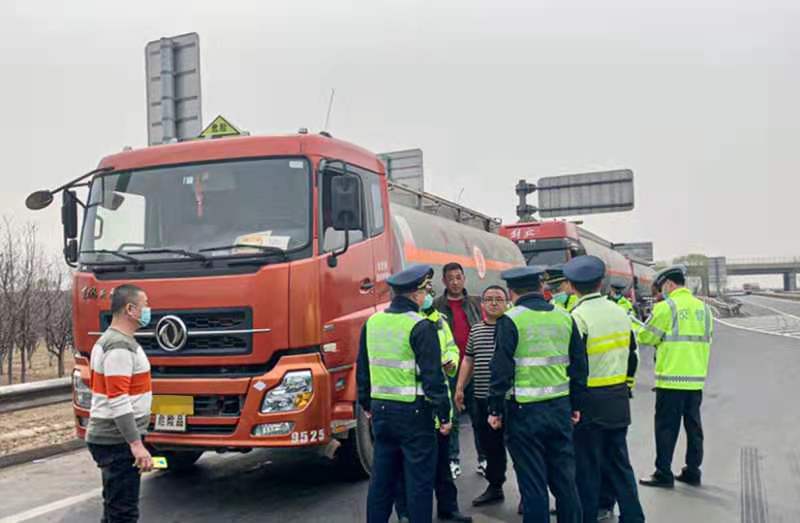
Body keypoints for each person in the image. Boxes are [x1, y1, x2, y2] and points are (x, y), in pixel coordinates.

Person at [488, 266, 588, 523]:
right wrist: (576, 405)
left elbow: (500, 371)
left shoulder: (510, 320)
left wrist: (495, 410)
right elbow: (579, 367)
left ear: (512, 291)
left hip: (524, 414)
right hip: (559, 409)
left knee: (533, 485)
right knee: (565, 482)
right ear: (540, 288)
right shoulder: (565, 317)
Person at [357, 264, 453, 523]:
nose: (426, 296)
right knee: (419, 482)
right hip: (414, 414)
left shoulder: (373, 322)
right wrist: (444, 415)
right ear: (415, 295)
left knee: (382, 480)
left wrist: (367, 404)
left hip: (381, 412)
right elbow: (433, 378)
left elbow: (363, 369)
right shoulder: (421, 326)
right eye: (425, 291)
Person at [564, 256, 645, 523]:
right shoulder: (621, 312)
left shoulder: (577, 317)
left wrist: (573, 403)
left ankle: (588, 517)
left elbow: (575, 365)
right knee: (619, 462)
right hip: (618, 397)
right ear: (601, 283)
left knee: (586, 466)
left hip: (589, 401)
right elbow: (633, 356)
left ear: (571, 286)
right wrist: (627, 385)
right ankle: (633, 516)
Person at [394, 277, 473, 523]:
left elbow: (451, 347)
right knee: (410, 467)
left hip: (439, 395)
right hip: (418, 403)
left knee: (442, 463)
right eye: (423, 290)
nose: (427, 295)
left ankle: (448, 509)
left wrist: (449, 362)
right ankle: (407, 512)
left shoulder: (438, 320)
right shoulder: (408, 322)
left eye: (429, 290)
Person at [638, 265, 713, 489]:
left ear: (669, 284)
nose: (662, 292)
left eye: (662, 288)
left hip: (671, 380)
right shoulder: (704, 309)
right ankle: (693, 471)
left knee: (666, 428)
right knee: (693, 426)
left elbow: (646, 337)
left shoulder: (666, 308)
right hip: (696, 379)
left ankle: (663, 473)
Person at [85, 284, 154, 523]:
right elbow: (118, 399)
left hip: (113, 439)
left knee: (114, 509)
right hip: (117, 441)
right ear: (131, 309)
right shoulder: (120, 346)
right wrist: (136, 444)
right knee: (124, 514)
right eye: (146, 305)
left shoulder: (110, 341)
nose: (149, 310)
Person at [454, 286, 509, 507]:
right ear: (482, 305)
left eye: (498, 299)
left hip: (508, 398)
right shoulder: (476, 331)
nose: (494, 303)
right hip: (482, 397)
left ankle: (528, 493)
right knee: (490, 446)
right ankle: (495, 486)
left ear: (506, 303)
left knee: (518, 446)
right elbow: (469, 359)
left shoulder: (511, 328)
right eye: (489, 299)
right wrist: (459, 387)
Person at [433, 262, 485, 478]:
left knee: (479, 415)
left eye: (458, 277)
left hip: (475, 367)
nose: (455, 282)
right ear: (444, 281)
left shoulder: (475, 303)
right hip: (451, 370)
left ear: (464, 278)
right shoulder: (437, 305)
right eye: (450, 278)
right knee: (451, 417)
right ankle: (453, 460)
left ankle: (484, 459)